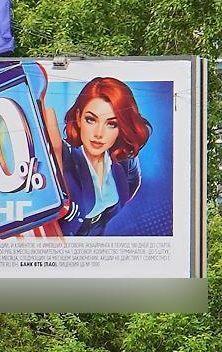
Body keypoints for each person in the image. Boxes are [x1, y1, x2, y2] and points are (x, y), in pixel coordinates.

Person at [49, 76, 153, 236]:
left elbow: (132, 184)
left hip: (99, 238)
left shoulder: (124, 161)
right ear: (78, 117)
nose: (99, 134)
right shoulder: (64, 156)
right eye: (91, 120)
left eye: (112, 124)